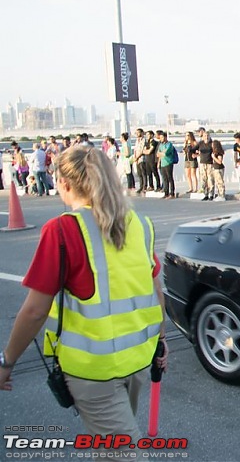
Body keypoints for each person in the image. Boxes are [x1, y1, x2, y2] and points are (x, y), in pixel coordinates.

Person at [0, 145, 168, 445]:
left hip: (94, 372)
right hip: (137, 362)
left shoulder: (63, 230)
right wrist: (161, 341)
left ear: (63, 184)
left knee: (117, 451)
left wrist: (6, 362)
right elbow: (155, 290)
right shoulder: (139, 224)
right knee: (117, 449)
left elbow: (35, 310)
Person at [155, 130, 176, 199]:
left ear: (165, 137)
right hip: (162, 163)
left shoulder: (169, 144)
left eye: (162, 137)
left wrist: (162, 153)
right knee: (164, 179)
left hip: (168, 162)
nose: (161, 139)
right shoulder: (161, 145)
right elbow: (158, 154)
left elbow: (165, 153)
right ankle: (166, 193)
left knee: (170, 178)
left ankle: (172, 193)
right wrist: (159, 161)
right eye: (160, 137)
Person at [196, 130, 214, 200]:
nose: (206, 137)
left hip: (210, 163)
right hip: (202, 163)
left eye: (207, 136)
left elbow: (216, 151)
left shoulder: (211, 143)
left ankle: (211, 194)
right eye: (204, 136)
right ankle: (205, 194)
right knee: (204, 179)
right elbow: (194, 149)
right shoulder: (200, 143)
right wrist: (195, 153)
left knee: (210, 179)